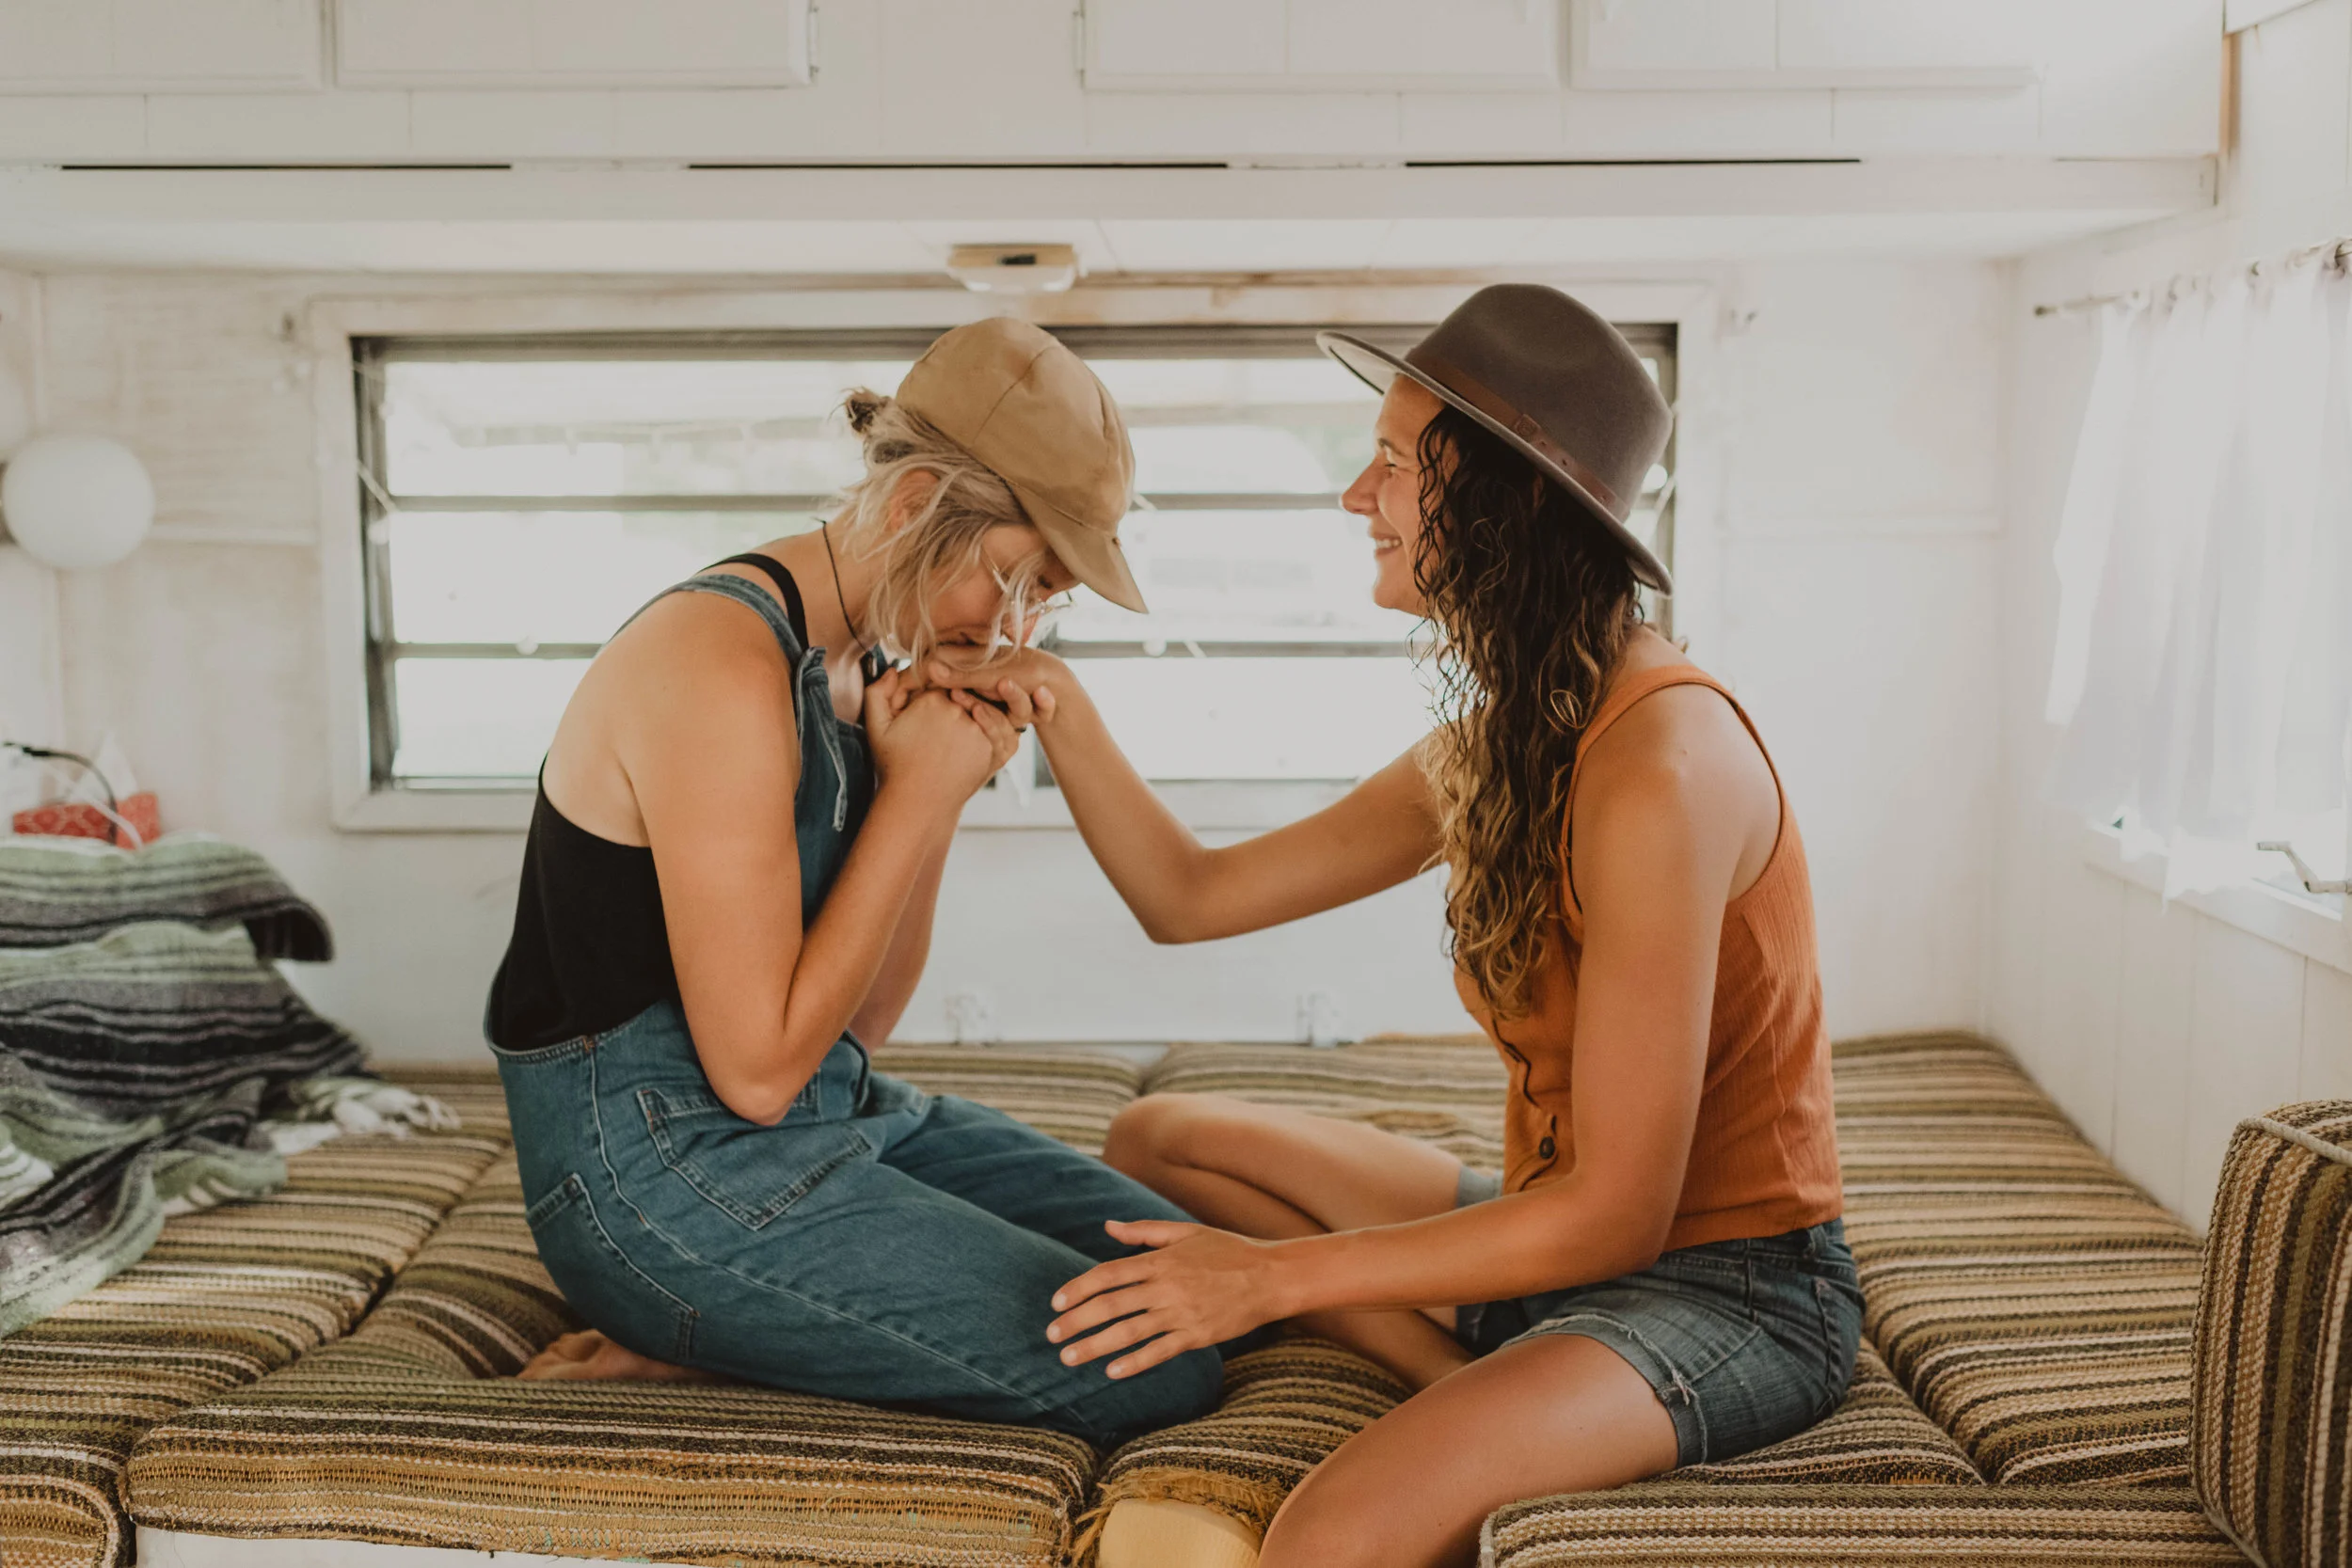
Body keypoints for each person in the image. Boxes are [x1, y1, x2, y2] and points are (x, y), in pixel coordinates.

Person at [926, 285, 1860, 1567]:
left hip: (1726, 1284)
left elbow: (1621, 1218)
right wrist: (1055, 701)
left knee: (1323, 1538)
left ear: (1507, 504)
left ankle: (1500, 1392)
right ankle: (1460, 1380)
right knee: (1159, 1137)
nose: (1354, 496)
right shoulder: (1514, 732)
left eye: (1393, 464)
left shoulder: (1664, 768)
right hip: (1555, 1230)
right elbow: (1191, 896)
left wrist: (1267, 1278)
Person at [483, 317, 1230, 1449]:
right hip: (656, 1176)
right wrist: (918, 795)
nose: (1020, 626)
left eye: (1049, 598)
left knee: (1184, 1270)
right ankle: (699, 1334)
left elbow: (859, 1022)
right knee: (1156, 1366)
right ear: (916, 501)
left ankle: (757, 1326)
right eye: (1020, 578)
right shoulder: (716, 664)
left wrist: (934, 790)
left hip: (828, 1110)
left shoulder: (864, 657)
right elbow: (758, 1074)